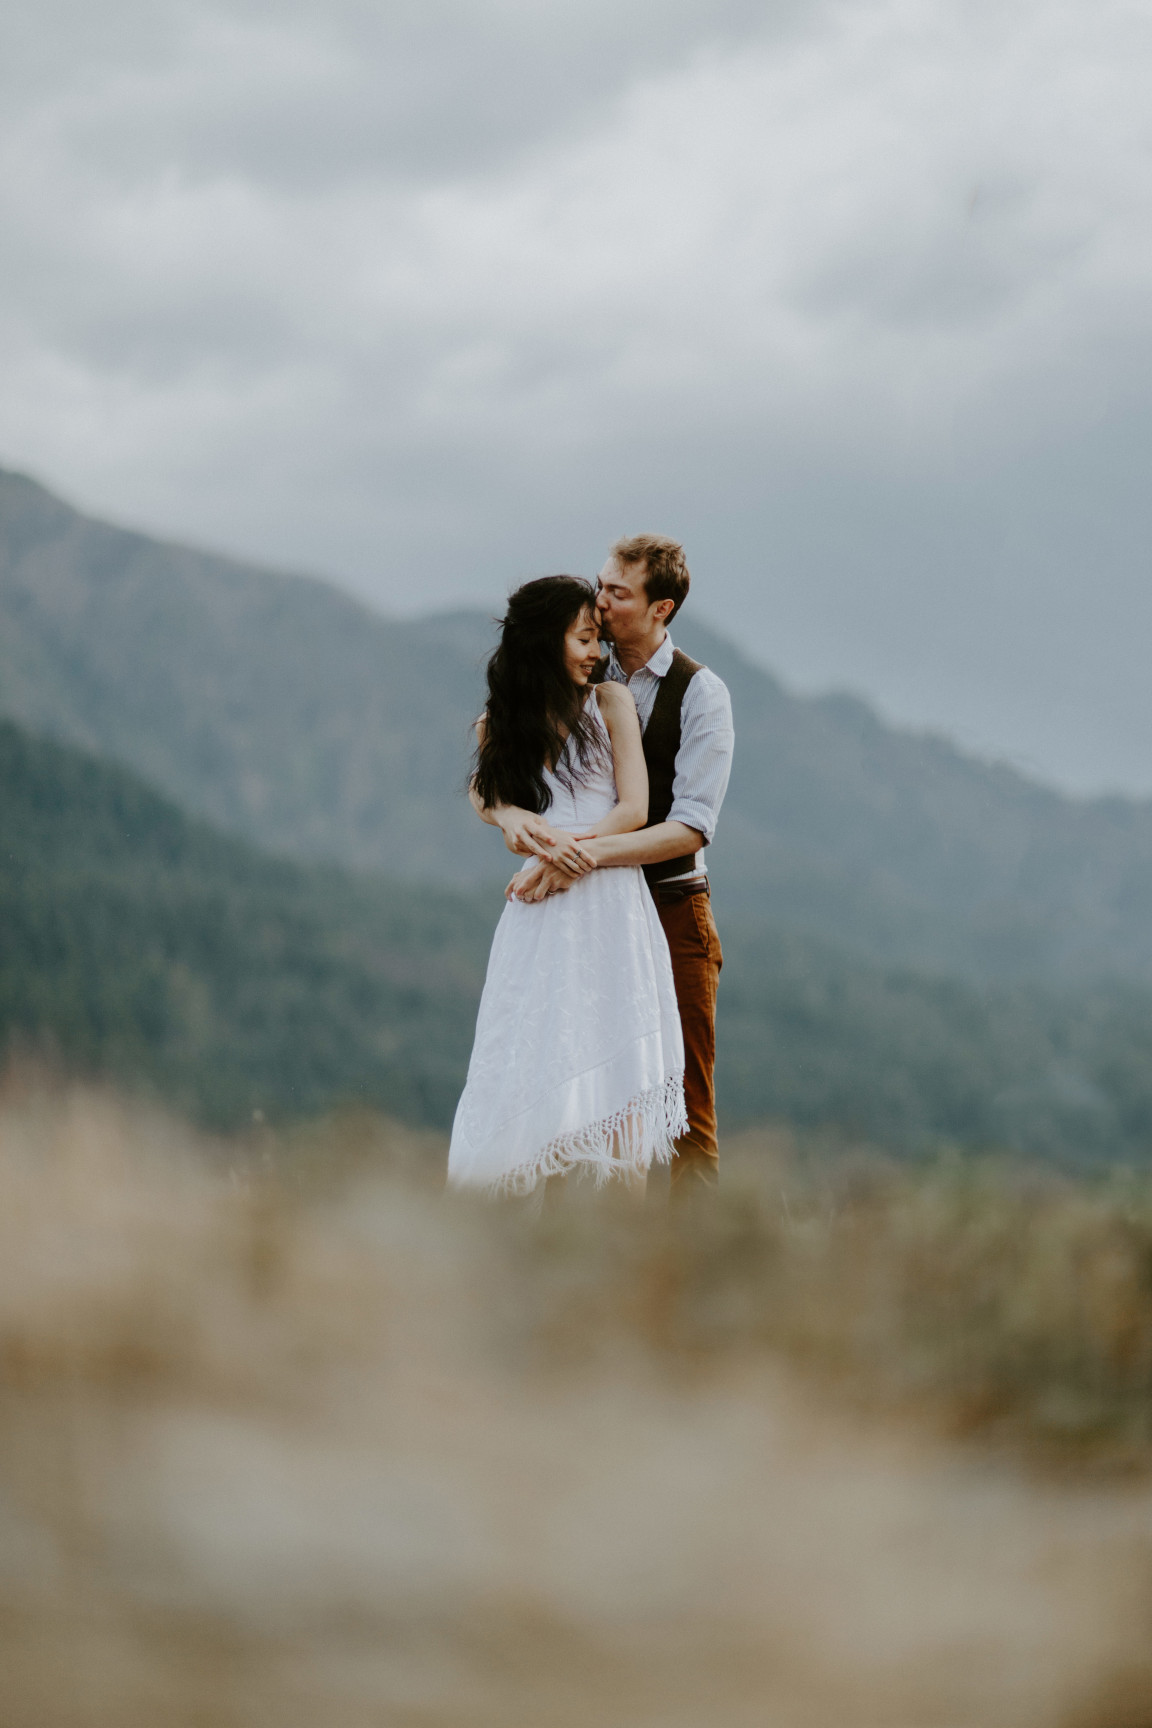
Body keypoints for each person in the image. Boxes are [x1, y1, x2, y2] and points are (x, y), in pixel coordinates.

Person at [447, 576, 687, 1197]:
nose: (595, 652)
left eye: (596, 638)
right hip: (539, 916)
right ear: (542, 642)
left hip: (607, 899)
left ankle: (620, 1236)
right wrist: (507, 816)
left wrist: (565, 861)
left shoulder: (610, 703)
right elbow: (488, 794)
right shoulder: (501, 722)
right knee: (532, 1052)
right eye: (583, 638)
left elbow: (634, 808)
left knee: (616, 1070)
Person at [512, 536, 734, 1200]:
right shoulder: (579, 674)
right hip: (591, 919)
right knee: (578, 1094)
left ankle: (701, 1275)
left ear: (660, 608)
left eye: (618, 592)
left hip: (671, 913)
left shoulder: (702, 694)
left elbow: (691, 826)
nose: (600, 600)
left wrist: (578, 857)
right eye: (601, 585)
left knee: (684, 1109)